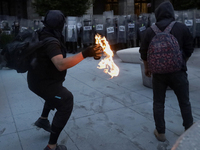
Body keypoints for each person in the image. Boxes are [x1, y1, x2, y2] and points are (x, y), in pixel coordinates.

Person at [27, 10, 102, 150]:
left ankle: (43, 119)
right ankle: (52, 146)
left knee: (56, 92)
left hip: (38, 79)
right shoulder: (51, 42)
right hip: (42, 83)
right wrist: (85, 53)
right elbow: (60, 64)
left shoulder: (41, 33)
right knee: (66, 99)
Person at [139, 1, 194, 142]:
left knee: (158, 102)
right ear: (172, 12)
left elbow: (143, 52)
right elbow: (189, 47)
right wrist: (182, 61)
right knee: (184, 101)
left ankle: (161, 132)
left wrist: (147, 68)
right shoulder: (181, 28)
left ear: (157, 14)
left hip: (158, 74)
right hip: (178, 72)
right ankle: (189, 128)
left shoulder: (149, 31)